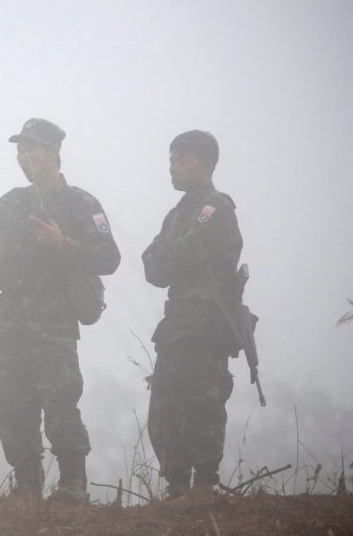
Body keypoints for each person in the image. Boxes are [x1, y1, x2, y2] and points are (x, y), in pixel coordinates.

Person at [0, 118, 121, 503]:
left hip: (54, 320)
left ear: (53, 151)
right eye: (20, 150)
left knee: (59, 401)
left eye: (33, 149)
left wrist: (62, 242)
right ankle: (27, 487)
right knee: (11, 404)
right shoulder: (11, 202)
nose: (25, 157)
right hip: (10, 320)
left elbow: (109, 257)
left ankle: (72, 486)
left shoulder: (81, 203)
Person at [141, 130, 243, 502]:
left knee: (201, 404)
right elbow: (152, 267)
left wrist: (173, 256)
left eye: (183, 161)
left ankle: (204, 485)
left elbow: (180, 256)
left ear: (208, 164)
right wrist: (173, 255)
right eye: (172, 160)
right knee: (165, 410)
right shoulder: (178, 214)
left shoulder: (215, 208)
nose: (174, 168)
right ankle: (177, 486)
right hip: (177, 324)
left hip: (206, 323)